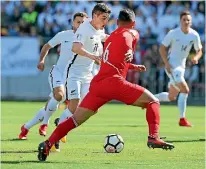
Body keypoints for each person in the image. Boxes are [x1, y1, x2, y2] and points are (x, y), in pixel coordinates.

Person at [37, 8, 175, 161]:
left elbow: (109, 60)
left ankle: (47, 144)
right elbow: (128, 39)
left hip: (98, 85)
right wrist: (130, 50)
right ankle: (153, 137)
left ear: (116, 22)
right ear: (133, 23)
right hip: (115, 83)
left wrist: (131, 66)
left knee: (75, 119)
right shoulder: (130, 33)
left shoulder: (108, 38)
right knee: (153, 101)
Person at [50, 3, 111, 152]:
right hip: (74, 73)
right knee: (74, 105)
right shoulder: (84, 28)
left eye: (107, 19)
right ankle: (54, 138)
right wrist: (93, 57)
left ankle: (62, 122)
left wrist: (121, 38)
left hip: (88, 76)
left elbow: (104, 37)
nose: (105, 22)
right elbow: (75, 48)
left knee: (91, 108)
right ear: (95, 15)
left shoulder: (99, 29)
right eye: (103, 18)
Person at [18, 12, 88, 140]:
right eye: (78, 22)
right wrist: (42, 60)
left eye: (83, 22)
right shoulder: (64, 35)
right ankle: (45, 124)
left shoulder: (89, 38)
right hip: (58, 72)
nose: (80, 24)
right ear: (73, 23)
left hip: (72, 78)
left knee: (52, 104)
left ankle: (26, 127)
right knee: (59, 96)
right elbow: (47, 46)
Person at [154, 11, 202, 127]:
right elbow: (162, 48)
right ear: (180, 21)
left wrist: (196, 57)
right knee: (185, 90)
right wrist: (166, 63)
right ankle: (182, 119)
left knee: (171, 96)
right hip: (172, 66)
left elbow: (199, 50)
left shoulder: (194, 35)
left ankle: (149, 99)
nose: (186, 22)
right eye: (184, 19)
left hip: (181, 66)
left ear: (191, 22)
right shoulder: (173, 33)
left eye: (188, 20)